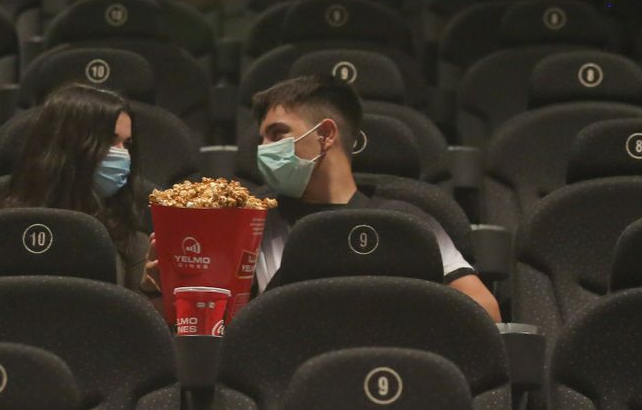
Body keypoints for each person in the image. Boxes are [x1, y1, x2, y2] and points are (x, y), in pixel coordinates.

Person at [144, 75, 501, 321]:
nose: (263, 150)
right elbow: (209, 332)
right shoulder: (250, 223)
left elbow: (486, 311)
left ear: (326, 134)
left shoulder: (409, 220)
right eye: (263, 138)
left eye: (277, 134)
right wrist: (165, 291)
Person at [0, 83, 151, 293]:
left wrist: (154, 292)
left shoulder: (129, 238)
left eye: (127, 144)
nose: (123, 155)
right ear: (69, 147)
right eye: (110, 142)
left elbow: (142, 322)